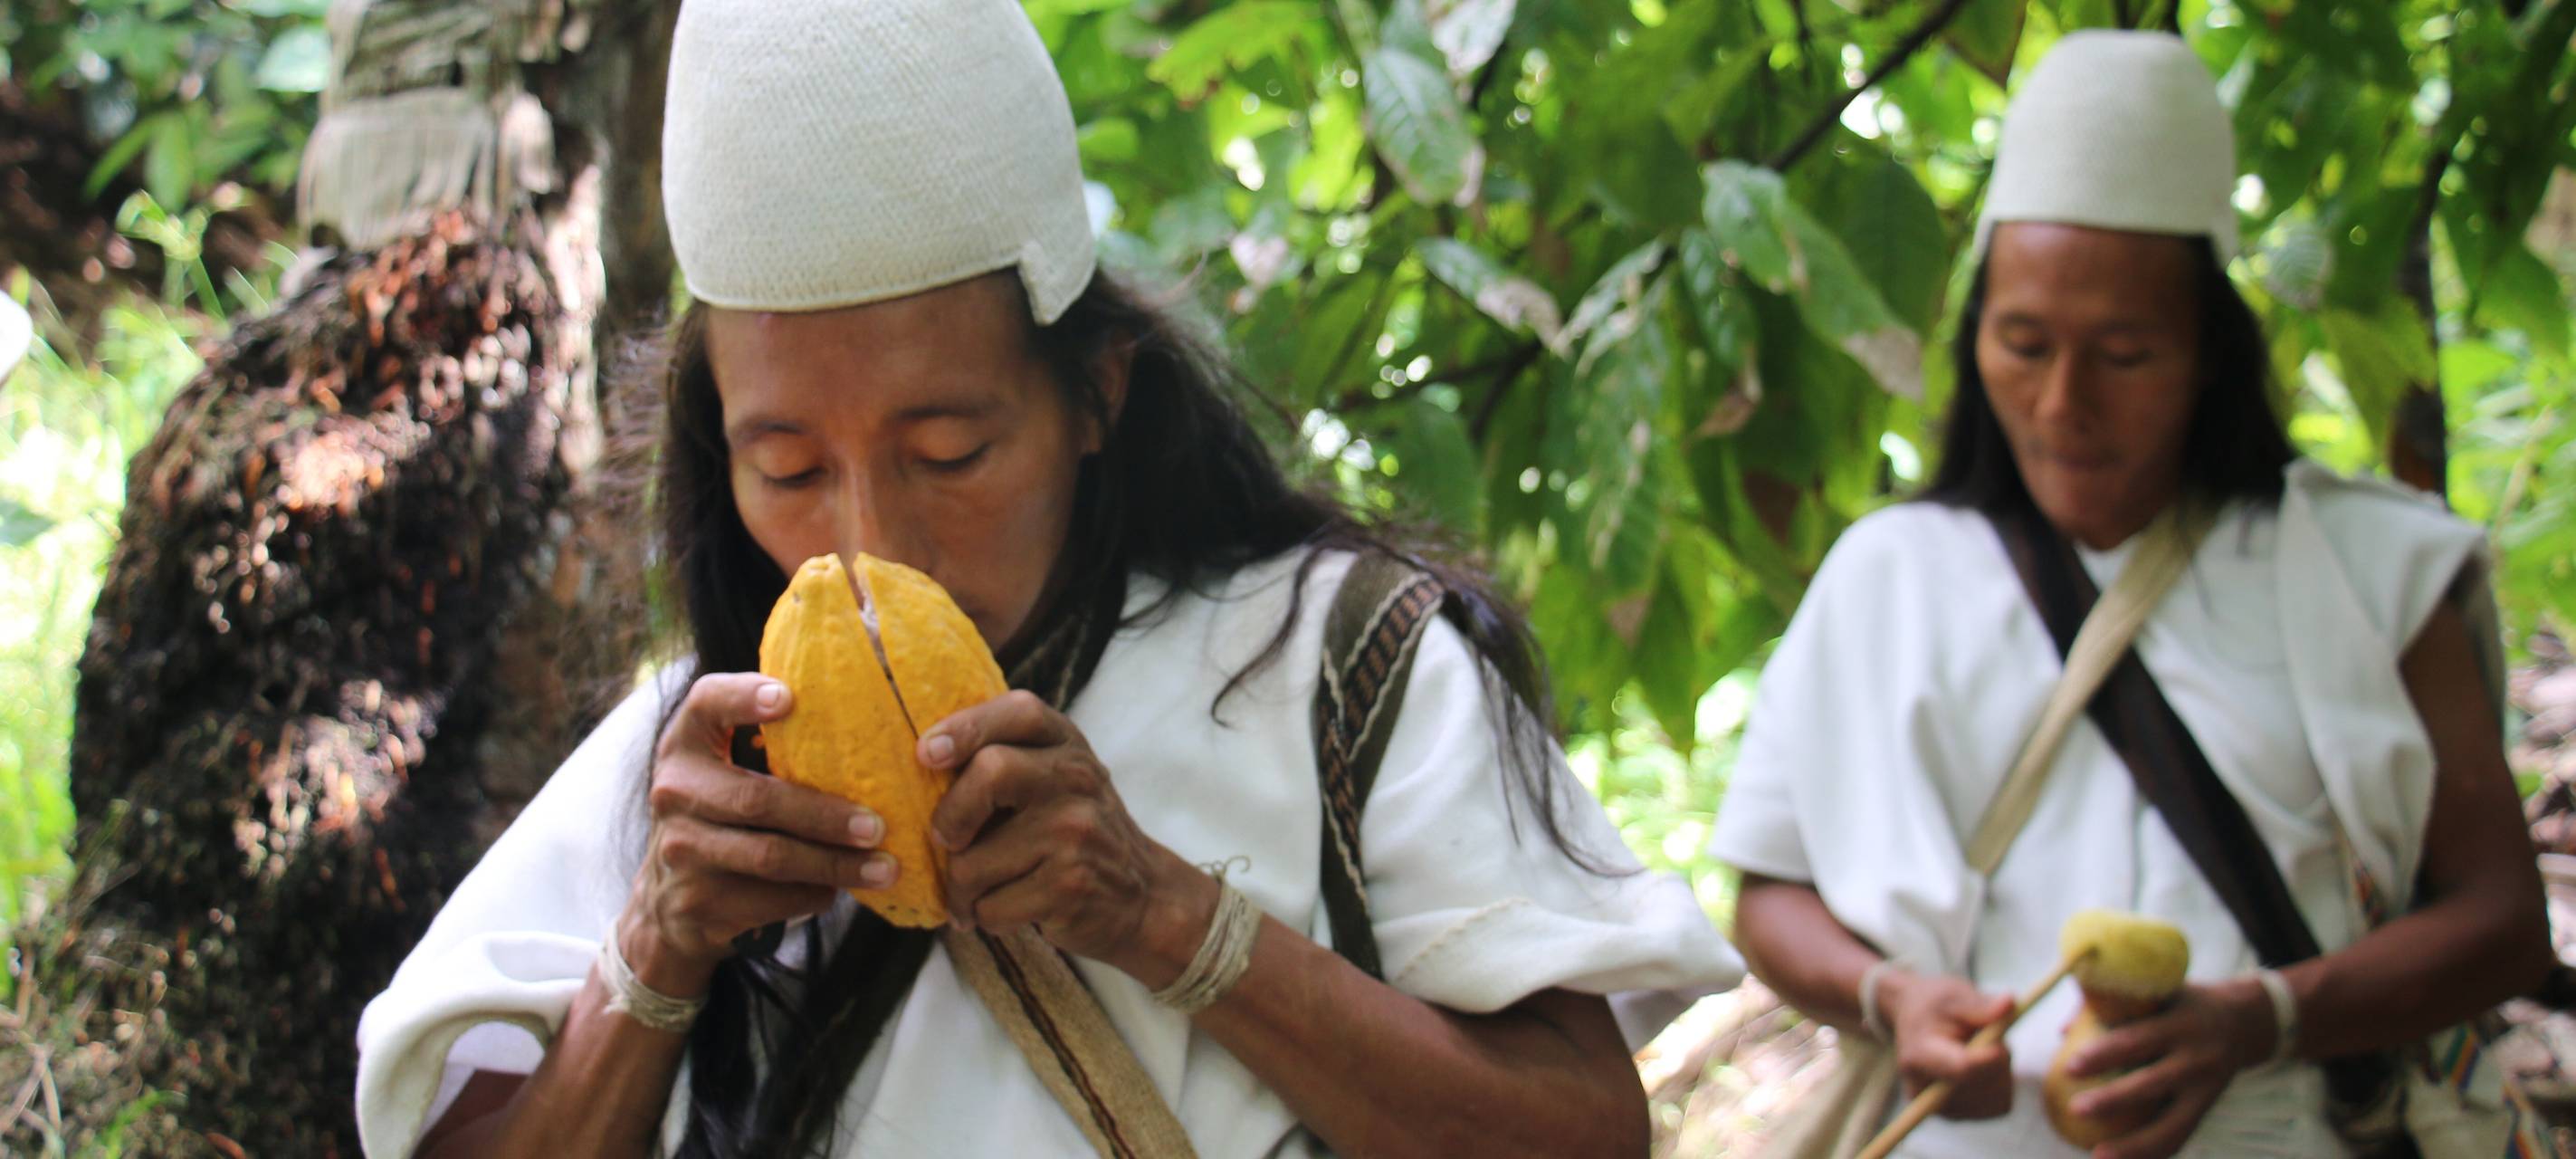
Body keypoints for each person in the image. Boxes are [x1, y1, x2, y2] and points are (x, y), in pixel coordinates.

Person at [351, 1, 1741, 1155]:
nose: (868, 541)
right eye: (784, 469)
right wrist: (656, 951)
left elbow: (1585, 1135)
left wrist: (1163, 917)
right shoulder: (692, 763)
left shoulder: (1339, 664)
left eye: (949, 451)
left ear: (1094, 396)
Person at [1708, 30, 2556, 1159]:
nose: (2062, 404)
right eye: (2022, 345)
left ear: (2208, 348)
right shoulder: (1885, 577)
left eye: (2122, 352)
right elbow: (1770, 892)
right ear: (1975, 344)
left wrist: (2261, 1020)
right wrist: (1891, 997)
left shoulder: (2367, 572)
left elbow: (2501, 923)